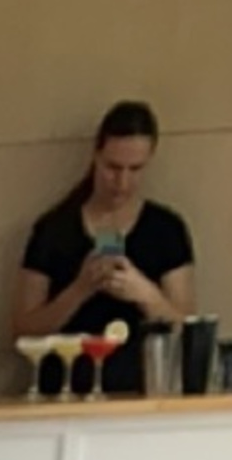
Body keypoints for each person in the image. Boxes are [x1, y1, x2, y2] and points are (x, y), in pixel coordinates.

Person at [12, 101, 196, 394]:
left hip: (141, 392)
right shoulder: (54, 230)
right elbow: (23, 331)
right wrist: (80, 289)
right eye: (112, 167)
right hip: (64, 391)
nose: (122, 182)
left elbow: (187, 330)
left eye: (135, 169)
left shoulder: (165, 230)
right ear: (95, 156)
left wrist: (144, 293)